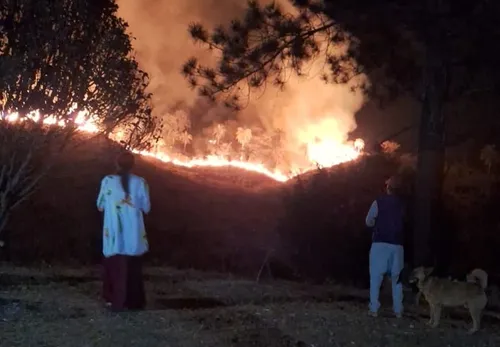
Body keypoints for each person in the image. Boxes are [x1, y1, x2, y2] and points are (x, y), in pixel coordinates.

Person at [97, 151, 151, 311]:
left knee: (114, 266)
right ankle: (134, 301)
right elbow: (146, 207)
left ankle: (114, 299)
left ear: (117, 164)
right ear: (133, 165)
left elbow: (100, 205)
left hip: (113, 234)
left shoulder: (107, 181)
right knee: (133, 267)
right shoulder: (140, 182)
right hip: (133, 233)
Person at [365, 175, 406, 318]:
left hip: (380, 244)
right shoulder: (403, 204)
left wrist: (376, 225)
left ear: (387, 187)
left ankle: (374, 309)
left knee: (376, 277)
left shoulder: (379, 202)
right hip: (398, 246)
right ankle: (398, 310)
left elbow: (369, 221)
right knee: (397, 280)